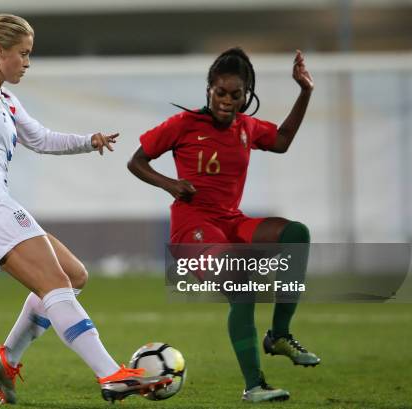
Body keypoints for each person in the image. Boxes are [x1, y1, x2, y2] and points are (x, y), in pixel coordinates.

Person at [0, 13, 171, 405]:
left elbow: (40, 139)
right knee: (55, 284)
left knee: (74, 275)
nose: (27, 62)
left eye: (29, 54)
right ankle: (111, 374)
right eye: (23, 54)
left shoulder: (6, 99)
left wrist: (89, 141)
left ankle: (7, 360)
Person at [127, 47, 320, 403]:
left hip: (231, 222)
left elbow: (282, 141)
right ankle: (254, 385)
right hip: (192, 231)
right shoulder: (183, 125)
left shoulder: (247, 127)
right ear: (208, 89)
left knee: (296, 234)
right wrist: (170, 184)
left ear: (247, 96)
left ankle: (279, 334)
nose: (227, 101)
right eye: (221, 93)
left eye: (236, 94)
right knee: (241, 287)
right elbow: (136, 162)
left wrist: (305, 91)